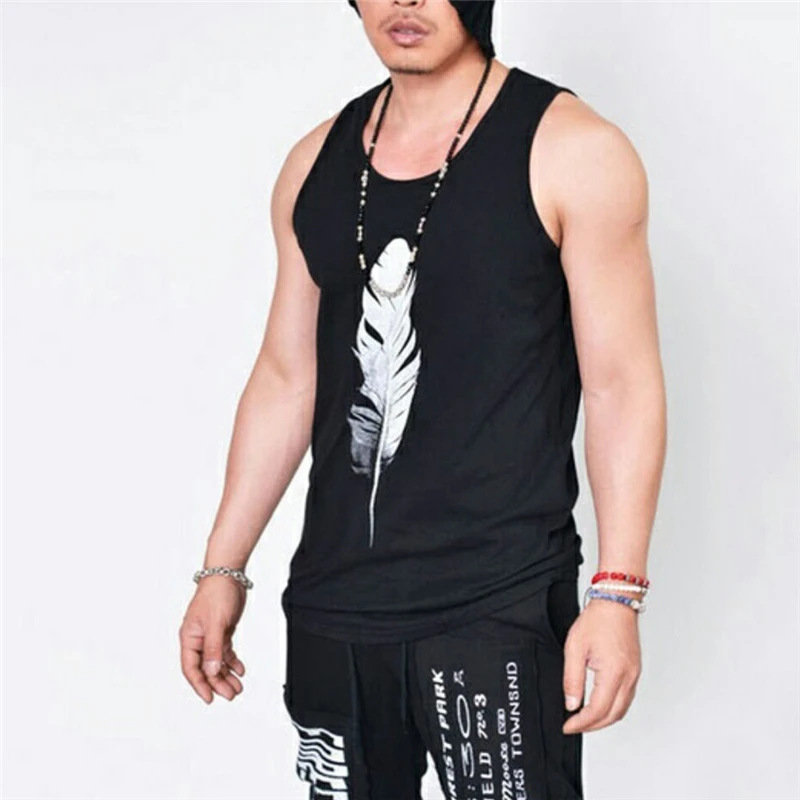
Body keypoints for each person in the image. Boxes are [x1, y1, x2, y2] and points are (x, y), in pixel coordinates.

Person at [179, 1, 667, 797]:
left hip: (499, 600)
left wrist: (617, 592)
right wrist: (222, 566)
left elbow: (622, 384)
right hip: (335, 606)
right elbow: (286, 376)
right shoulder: (314, 162)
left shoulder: (573, 151)